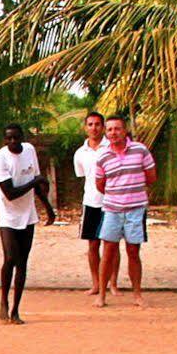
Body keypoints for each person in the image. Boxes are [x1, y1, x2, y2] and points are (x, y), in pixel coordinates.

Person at [95, 115, 157, 307]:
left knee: (133, 251)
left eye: (117, 129)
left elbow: (151, 176)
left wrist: (132, 191)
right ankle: (102, 295)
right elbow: (100, 184)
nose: (114, 133)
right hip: (112, 209)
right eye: (110, 129)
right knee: (108, 251)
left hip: (135, 210)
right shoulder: (103, 156)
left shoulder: (140, 150)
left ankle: (137, 294)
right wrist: (117, 194)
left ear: (125, 130)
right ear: (106, 132)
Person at [0, 122, 46, 324]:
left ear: (22, 137)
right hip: (8, 214)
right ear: (4, 140)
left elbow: (37, 178)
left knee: (22, 262)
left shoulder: (29, 151)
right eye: (9, 138)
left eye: (16, 137)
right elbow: (10, 194)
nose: (13, 141)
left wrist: (47, 208)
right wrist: (34, 183)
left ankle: (15, 310)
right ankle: (3, 300)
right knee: (11, 257)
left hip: (28, 214)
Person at [70, 111, 111, 299]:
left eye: (97, 124)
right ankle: (96, 283)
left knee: (111, 245)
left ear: (103, 127)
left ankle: (113, 284)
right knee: (93, 245)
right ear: (85, 127)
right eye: (90, 124)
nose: (94, 128)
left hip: (112, 203)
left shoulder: (112, 148)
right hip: (91, 203)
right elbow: (83, 177)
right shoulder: (80, 153)